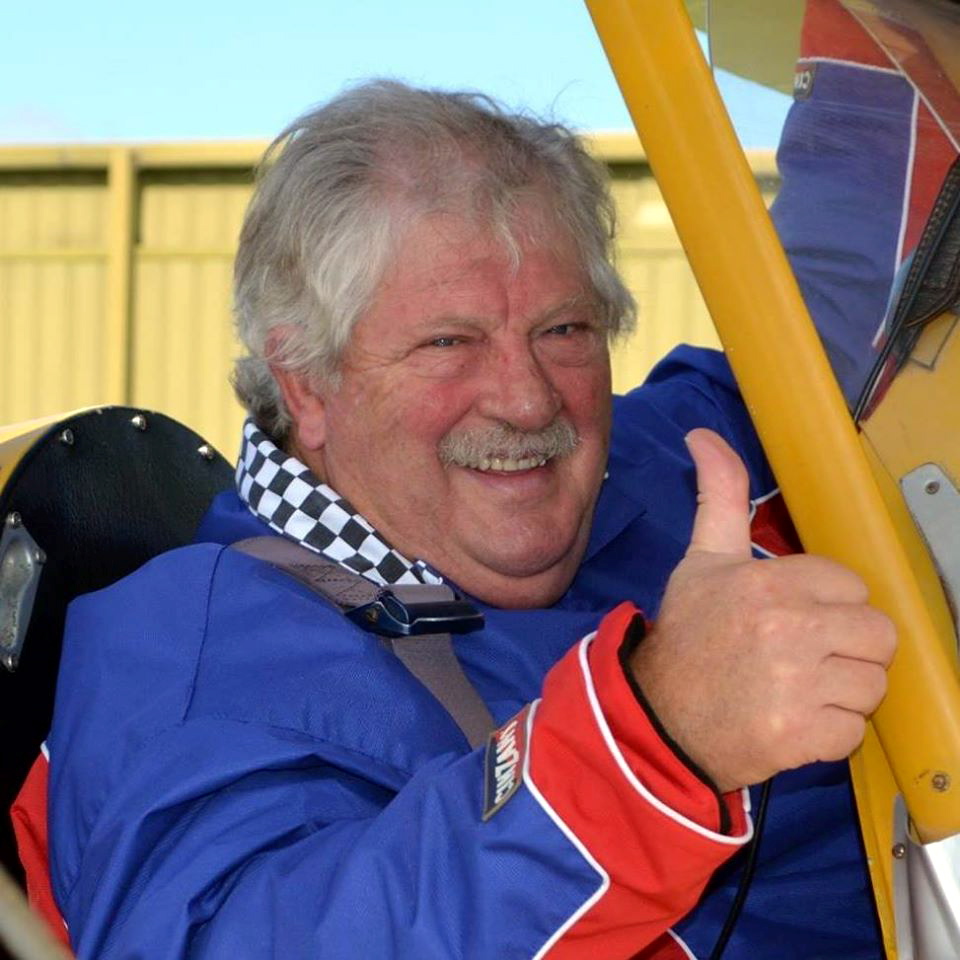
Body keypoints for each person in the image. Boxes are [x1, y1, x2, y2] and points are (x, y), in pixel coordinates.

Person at [39, 82, 894, 959]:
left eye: (564, 330)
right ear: (305, 384)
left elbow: (871, 262)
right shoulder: (188, 652)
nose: (528, 401)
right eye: (449, 343)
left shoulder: (688, 455)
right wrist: (653, 739)